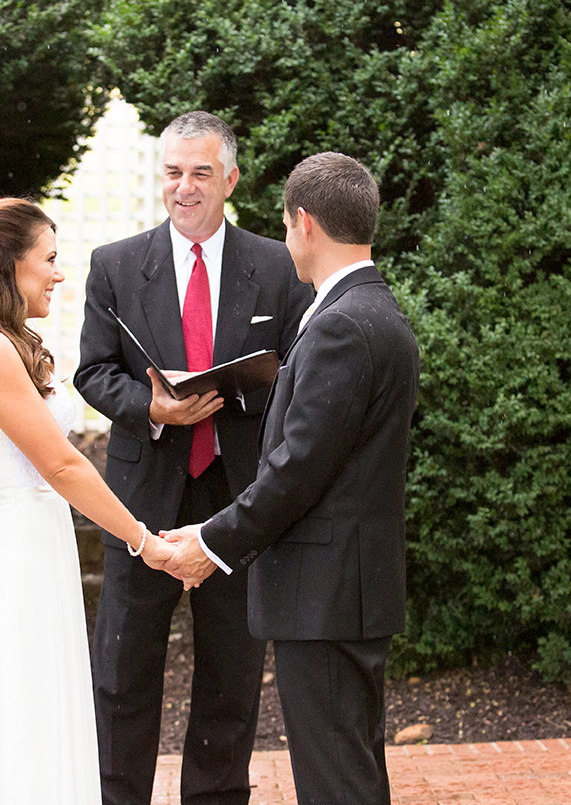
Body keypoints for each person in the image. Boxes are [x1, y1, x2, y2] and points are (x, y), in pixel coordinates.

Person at [162, 153, 420, 805]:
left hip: (327, 592)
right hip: (345, 589)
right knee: (351, 769)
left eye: (283, 225)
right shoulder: (372, 309)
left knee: (336, 779)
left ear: (302, 221)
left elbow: (297, 470)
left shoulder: (339, 323)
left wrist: (210, 541)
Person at [74, 112, 313, 805]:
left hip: (238, 493)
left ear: (229, 179)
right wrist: (152, 407)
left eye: (200, 173)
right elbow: (92, 372)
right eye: (173, 172)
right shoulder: (114, 264)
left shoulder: (275, 265)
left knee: (233, 671)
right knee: (121, 670)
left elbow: (297, 369)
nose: (184, 187)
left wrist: (230, 396)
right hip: (141, 493)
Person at [0, 198, 174, 805]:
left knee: (40, 716)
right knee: (16, 722)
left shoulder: (11, 343)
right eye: (50, 260)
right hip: (8, 561)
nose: (60, 274)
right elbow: (60, 464)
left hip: (37, 551)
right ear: (8, 264)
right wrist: (146, 543)